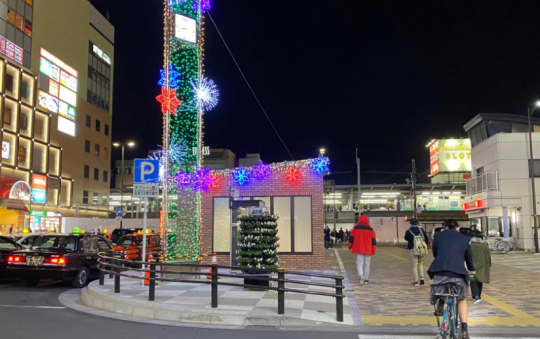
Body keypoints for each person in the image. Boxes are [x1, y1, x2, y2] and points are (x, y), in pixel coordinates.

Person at [428, 220, 475, 339]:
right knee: (462, 299)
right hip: (458, 274)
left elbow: (435, 253)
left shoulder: (438, 236)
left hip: (439, 272)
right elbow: (468, 258)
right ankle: (464, 330)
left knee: (441, 287)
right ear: (458, 228)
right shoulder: (464, 238)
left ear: (446, 227)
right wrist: (472, 269)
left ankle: (440, 302)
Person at [348, 214, 377, 285]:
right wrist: (373, 250)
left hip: (359, 249)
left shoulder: (355, 228)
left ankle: (361, 275)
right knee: (367, 264)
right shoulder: (371, 229)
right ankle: (366, 279)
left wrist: (350, 246)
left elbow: (351, 238)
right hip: (368, 249)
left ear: (359, 219)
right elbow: (373, 241)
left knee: (359, 263)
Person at [405, 218, 430, 287]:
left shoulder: (409, 230)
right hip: (421, 249)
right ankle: (422, 279)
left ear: (411, 223)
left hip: (413, 249)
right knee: (420, 263)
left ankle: (416, 282)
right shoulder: (421, 229)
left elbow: (406, 238)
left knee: (414, 266)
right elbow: (426, 238)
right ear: (417, 223)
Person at [469, 230, 491, 304]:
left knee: (473, 281)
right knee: (480, 281)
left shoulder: (470, 245)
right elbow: (488, 256)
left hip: (472, 265)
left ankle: (476, 296)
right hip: (482, 265)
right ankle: (478, 295)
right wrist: (489, 264)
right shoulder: (485, 245)